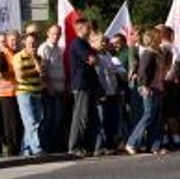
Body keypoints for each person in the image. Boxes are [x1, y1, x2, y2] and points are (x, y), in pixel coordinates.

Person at [125, 28, 165, 154]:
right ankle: (132, 142)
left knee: (156, 118)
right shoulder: (148, 54)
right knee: (147, 116)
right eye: (158, 36)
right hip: (150, 88)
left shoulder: (157, 53)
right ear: (154, 38)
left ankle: (154, 146)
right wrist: (144, 86)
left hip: (157, 87)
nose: (161, 38)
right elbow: (143, 72)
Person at [68, 18, 104, 156]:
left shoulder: (85, 44)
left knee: (90, 117)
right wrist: (95, 56)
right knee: (80, 117)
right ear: (80, 29)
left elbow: (95, 59)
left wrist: (95, 56)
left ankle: (91, 146)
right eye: (87, 28)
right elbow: (93, 60)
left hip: (89, 85)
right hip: (81, 85)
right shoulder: (78, 44)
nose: (89, 30)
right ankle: (74, 147)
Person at [13, 31, 45, 156]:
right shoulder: (18, 57)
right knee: (30, 121)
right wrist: (35, 71)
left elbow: (42, 74)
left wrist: (36, 61)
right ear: (24, 43)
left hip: (37, 92)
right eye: (30, 43)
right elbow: (19, 76)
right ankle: (37, 149)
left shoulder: (38, 57)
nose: (33, 45)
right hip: (24, 92)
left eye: (34, 43)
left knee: (36, 122)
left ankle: (25, 149)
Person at [93, 33, 124, 151]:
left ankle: (110, 144)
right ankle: (99, 146)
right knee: (101, 120)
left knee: (112, 120)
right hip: (102, 94)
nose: (103, 43)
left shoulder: (110, 56)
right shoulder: (95, 57)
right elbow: (96, 76)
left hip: (113, 93)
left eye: (105, 41)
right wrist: (100, 92)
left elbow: (118, 73)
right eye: (101, 41)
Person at [37, 24, 65, 153]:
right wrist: (49, 87)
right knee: (49, 119)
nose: (56, 36)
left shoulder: (58, 49)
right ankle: (48, 147)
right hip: (49, 90)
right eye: (54, 33)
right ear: (48, 33)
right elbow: (43, 70)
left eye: (58, 34)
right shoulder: (44, 48)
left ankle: (55, 145)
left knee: (58, 119)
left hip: (60, 88)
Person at [0, 31, 22, 156]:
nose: (14, 42)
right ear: (7, 41)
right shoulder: (3, 55)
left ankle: (18, 149)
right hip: (7, 94)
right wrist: (14, 74)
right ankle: (12, 152)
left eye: (16, 39)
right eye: (12, 40)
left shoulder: (20, 53)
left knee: (19, 123)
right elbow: (0, 73)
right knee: (11, 124)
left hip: (20, 93)